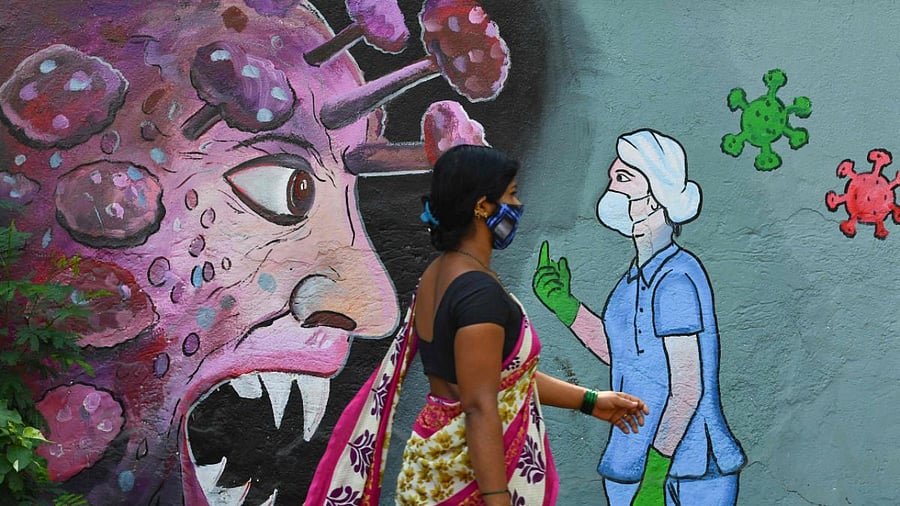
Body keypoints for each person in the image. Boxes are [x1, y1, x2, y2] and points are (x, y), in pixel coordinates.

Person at [306, 144, 649, 505]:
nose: (517, 207)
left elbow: (499, 377)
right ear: (482, 206)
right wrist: (498, 498)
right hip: (467, 485)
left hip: (433, 469)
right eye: (511, 195)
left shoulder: (439, 276)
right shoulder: (477, 292)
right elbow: (480, 404)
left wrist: (590, 401)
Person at [533, 130, 746, 505]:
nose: (611, 188)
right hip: (630, 460)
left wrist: (654, 480)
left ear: (656, 193)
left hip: (688, 469)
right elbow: (626, 355)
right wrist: (566, 307)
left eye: (623, 178)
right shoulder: (628, 284)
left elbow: (687, 387)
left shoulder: (677, 279)